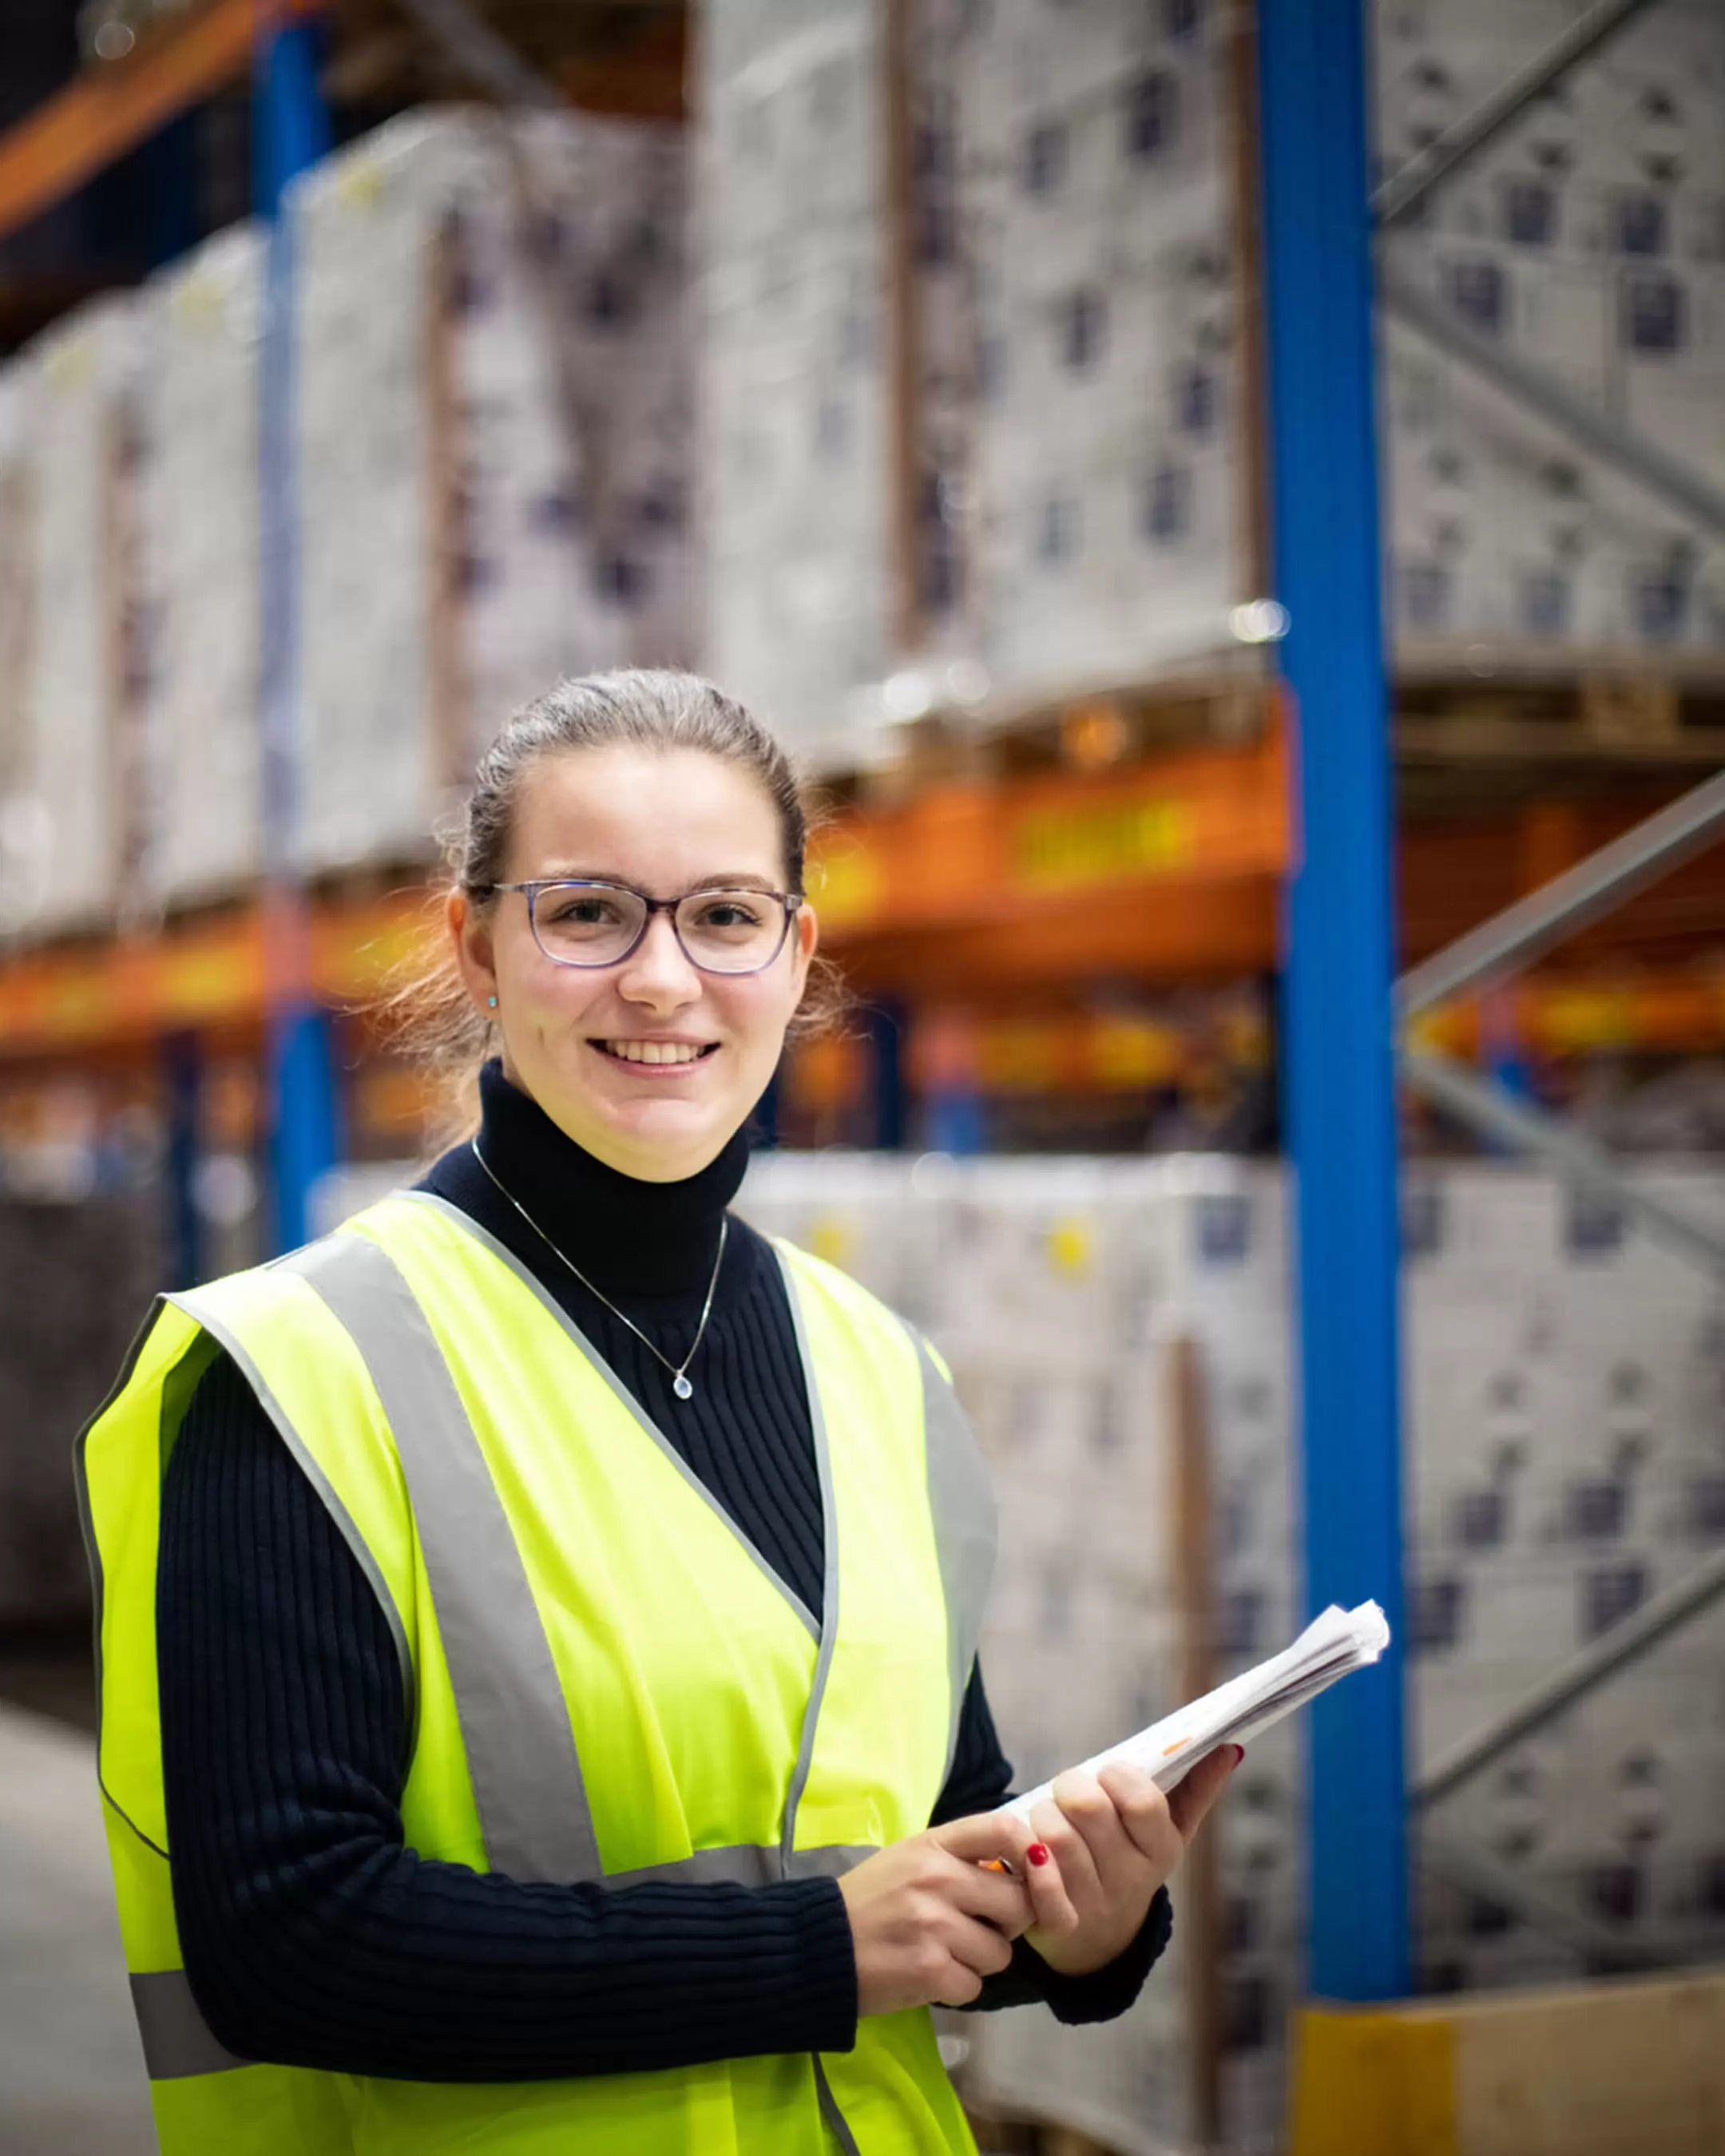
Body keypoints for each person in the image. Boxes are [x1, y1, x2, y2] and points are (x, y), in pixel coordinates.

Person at [79, 671, 1236, 2155]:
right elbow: (285, 1940)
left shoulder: (879, 1372)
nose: (663, 980)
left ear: (797, 950)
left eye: (726, 915)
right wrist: (812, 1954)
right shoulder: (302, 1372)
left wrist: (1081, 1926)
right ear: (477, 943)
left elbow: (930, 1856)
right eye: (586, 913)